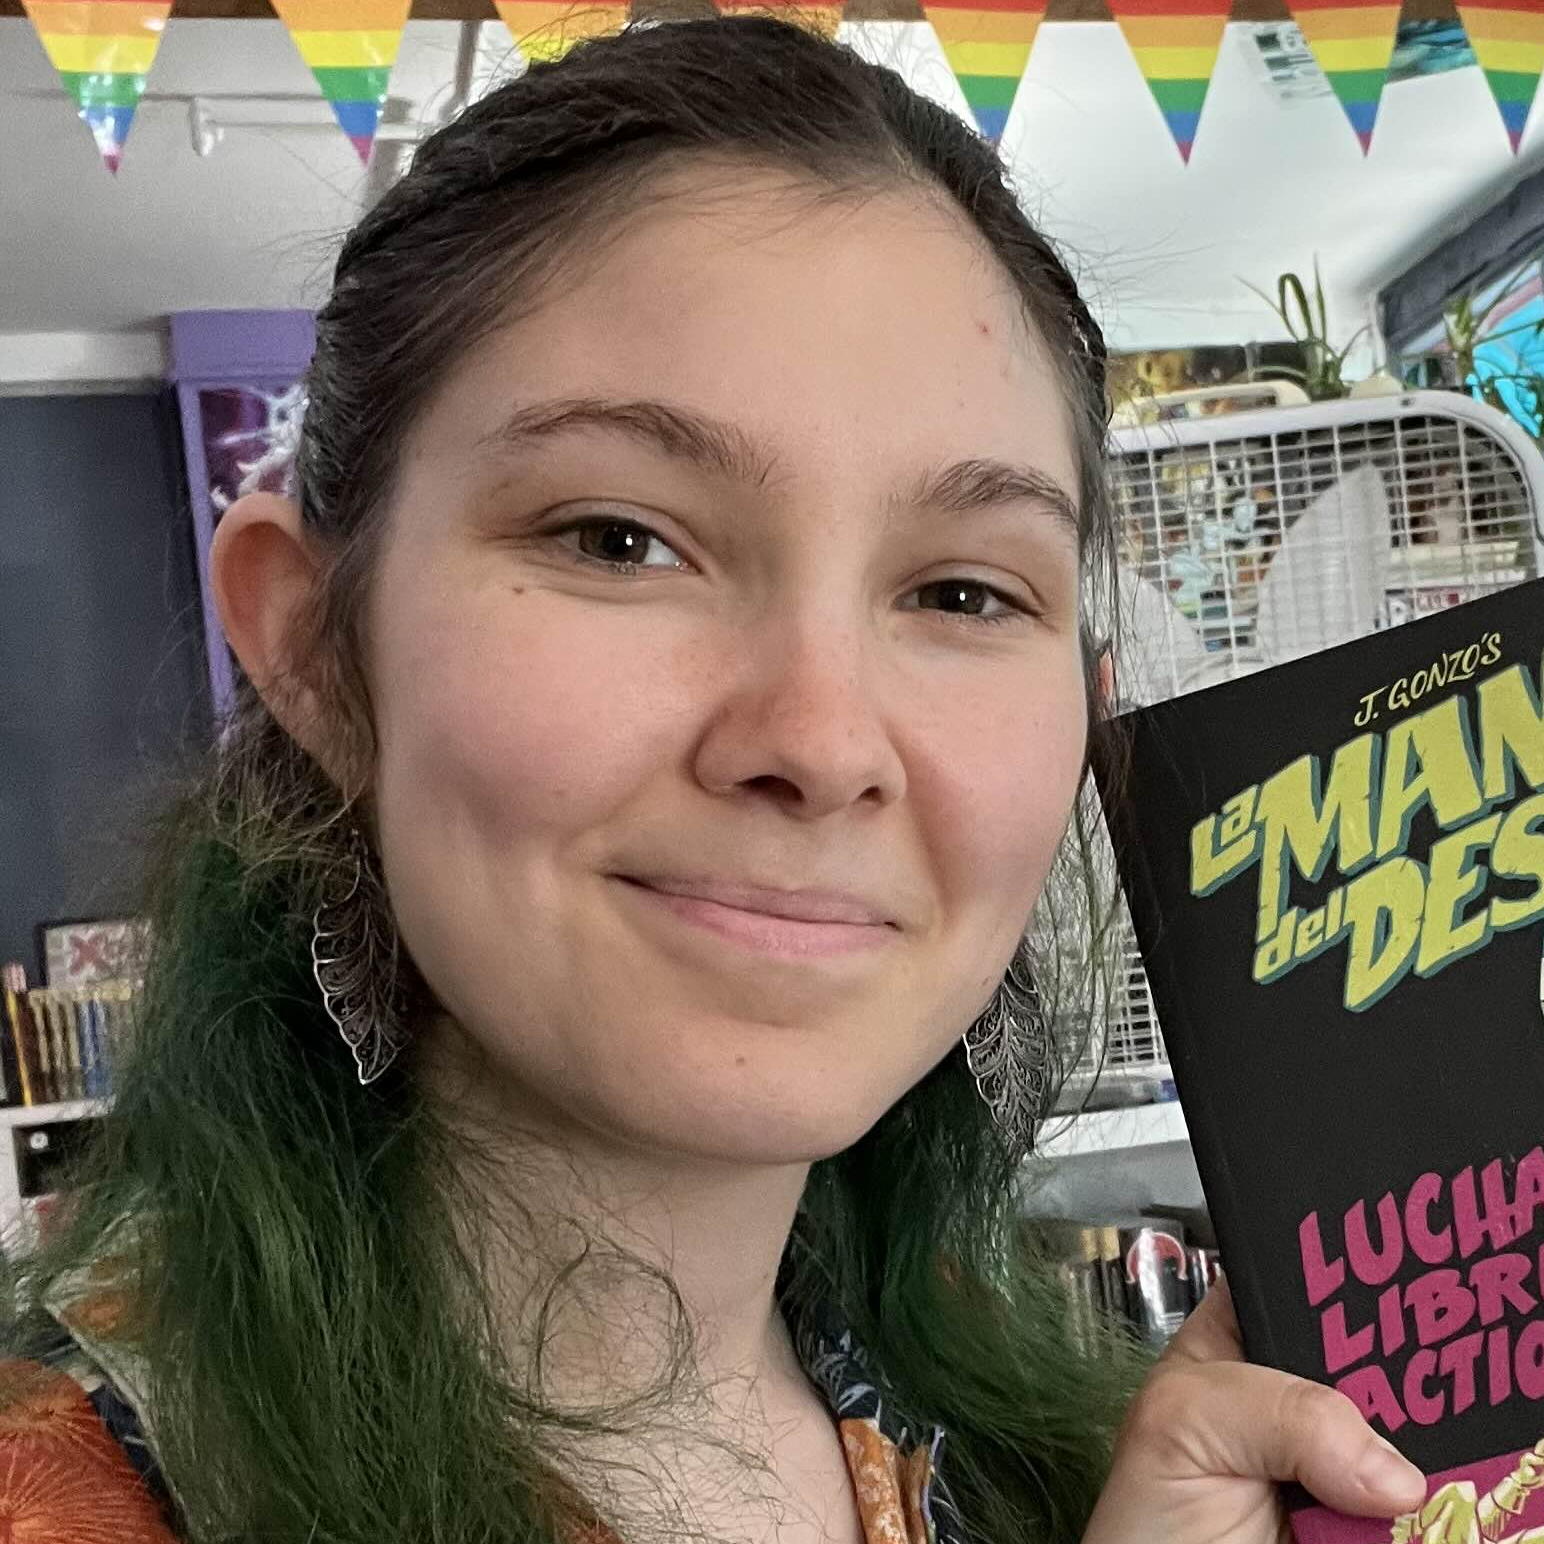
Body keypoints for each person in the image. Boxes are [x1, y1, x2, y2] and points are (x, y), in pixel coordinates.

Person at [0, 16, 1429, 1544]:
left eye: (963, 592)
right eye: (622, 540)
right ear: (317, 652)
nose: (820, 741)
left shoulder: (1025, 1465)